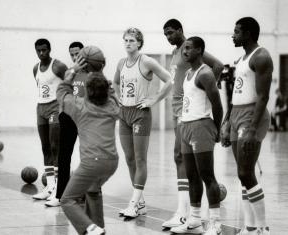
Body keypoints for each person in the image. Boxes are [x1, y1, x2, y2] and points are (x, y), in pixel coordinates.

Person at [162, 19, 224, 229]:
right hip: (185, 116)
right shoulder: (185, 67)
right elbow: (174, 82)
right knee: (188, 169)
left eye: (171, 33)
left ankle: (212, 222)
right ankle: (193, 218)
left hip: (199, 120)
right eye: (166, 34)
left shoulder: (202, 70)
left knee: (205, 173)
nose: (169, 38)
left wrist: (217, 125)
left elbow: (218, 69)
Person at [113, 27, 172, 218]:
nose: (128, 43)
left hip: (140, 114)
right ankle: (141, 203)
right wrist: (118, 97)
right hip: (124, 114)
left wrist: (154, 99)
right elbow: (115, 83)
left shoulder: (146, 61)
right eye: (125, 40)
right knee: (129, 159)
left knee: (140, 159)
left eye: (131, 40)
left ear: (139, 42)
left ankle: (133, 203)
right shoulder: (121, 62)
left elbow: (169, 80)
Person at [221, 17, 272, 235]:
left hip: (252, 115)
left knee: (245, 172)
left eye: (237, 32)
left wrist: (252, 128)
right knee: (243, 174)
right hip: (236, 114)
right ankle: (250, 228)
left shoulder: (261, 57)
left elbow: (263, 96)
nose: (233, 35)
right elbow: (236, 94)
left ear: (248, 34)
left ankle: (262, 228)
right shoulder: (241, 59)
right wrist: (226, 121)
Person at [58, 71, 119, 235]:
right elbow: (113, 96)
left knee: (67, 200)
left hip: (92, 162)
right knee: (93, 190)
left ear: (87, 90)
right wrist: (108, 86)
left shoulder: (79, 107)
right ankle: (99, 228)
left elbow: (62, 95)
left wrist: (69, 77)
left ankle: (90, 228)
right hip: (112, 162)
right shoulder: (113, 107)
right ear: (106, 90)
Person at [46, 44, 105, 208]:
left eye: (78, 54)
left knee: (90, 156)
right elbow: (63, 91)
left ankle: (91, 193)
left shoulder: (95, 75)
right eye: (72, 55)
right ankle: (60, 195)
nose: (74, 57)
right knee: (64, 156)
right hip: (68, 117)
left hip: (87, 118)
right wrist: (74, 69)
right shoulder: (69, 73)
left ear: (85, 55)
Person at [32, 38, 67, 201]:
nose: (41, 53)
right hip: (41, 108)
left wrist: (66, 104)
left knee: (55, 146)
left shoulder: (58, 66)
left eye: (44, 50)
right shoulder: (35, 68)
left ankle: (59, 188)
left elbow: (71, 83)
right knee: (45, 146)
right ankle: (50, 186)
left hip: (55, 107)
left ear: (49, 49)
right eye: (38, 50)